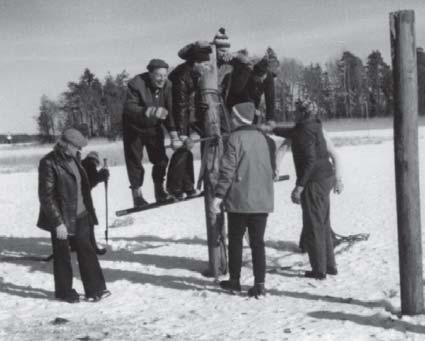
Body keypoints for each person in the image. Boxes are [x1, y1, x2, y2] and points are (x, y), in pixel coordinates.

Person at [271, 99, 343, 280]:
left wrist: (299, 187)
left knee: (313, 226)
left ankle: (319, 270)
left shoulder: (303, 131)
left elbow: (310, 161)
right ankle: (329, 265)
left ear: (303, 113)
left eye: (296, 111)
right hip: (326, 176)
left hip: (314, 182)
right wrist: (272, 128)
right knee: (323, 223)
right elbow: (291, 132)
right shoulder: (314, 125)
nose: (293, 114)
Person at [37, 128, 110, 303]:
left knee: (87, 251)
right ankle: (64, 292)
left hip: (82, 214)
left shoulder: (75, 159)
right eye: (77, 147)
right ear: (67, 145)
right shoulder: (48, 162)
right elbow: (46, 196)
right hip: (62, 218)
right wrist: (57, 223)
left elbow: (83, 186)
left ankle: (96, 289)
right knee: (62, 255)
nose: (80, 150)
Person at [213, 102, 276, 298]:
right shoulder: (267, 139)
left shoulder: (234, 138)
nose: (230, 120)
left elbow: (227, 171)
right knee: (258, 242)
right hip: (262, 199)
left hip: (239, 200)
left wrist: (218, 196)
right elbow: (272, 169)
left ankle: (235, 280)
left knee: (236, 240)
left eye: (233, 117)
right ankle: (260, 284)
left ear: (239, 119)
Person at [122, 58, 176, 207]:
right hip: (133, 128)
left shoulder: (168, 85)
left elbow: (169, 111)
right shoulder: (136, 84)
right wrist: (150, 110)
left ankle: (159, 191)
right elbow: (129, 108)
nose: (162, 79)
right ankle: (137, 196)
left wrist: (173, 133)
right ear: (150, 73)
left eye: (165, 76)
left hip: (153, 128)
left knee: (161, 159)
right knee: (135, 162)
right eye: (159, 75)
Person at [81, 151, 110, 255]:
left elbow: (90, 179)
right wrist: (103, 174)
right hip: (83, 198)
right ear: (95, 160)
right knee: (89, 222)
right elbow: (93, 179)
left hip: (77, 196)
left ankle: (75, 244)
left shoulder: (82, 163)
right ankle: (93, 247)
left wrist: (101, 173)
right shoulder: (90, 164)